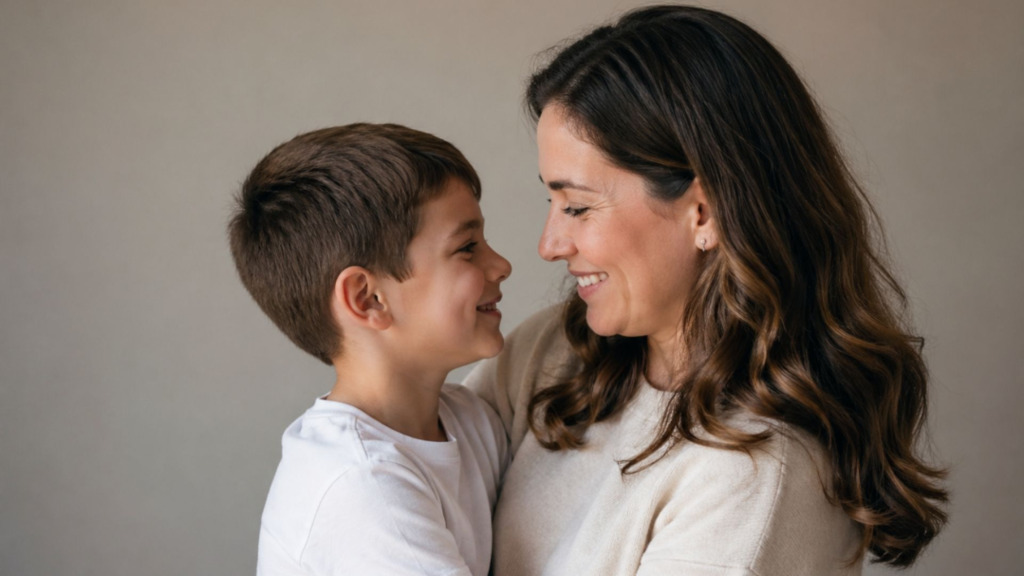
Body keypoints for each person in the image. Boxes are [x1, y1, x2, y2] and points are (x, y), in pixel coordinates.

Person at [465, 5, 948, 575]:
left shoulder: (754, 479)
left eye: (577, 205)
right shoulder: (549, 353)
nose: (550, 244)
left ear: (704, 211)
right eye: (552, 202)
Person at [228, 123, 512, 576]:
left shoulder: (470, 420)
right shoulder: (361, 484)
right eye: (467, 248)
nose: (501, 265)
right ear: (368, 299)